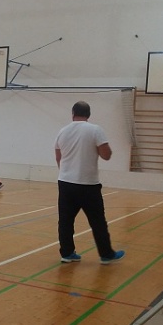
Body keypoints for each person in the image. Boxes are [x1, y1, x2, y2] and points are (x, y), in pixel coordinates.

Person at [55, 101, 124, 265]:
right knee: (97, 221)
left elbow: (58, 156)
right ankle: (106, 254)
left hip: (65, 182)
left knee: (65, 221)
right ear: (89, 114)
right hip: (88, 185)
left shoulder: (62, 131)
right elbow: (106, 155)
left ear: (73, 113)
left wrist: (66, 172)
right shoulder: (95, 130)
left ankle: (67, 253)